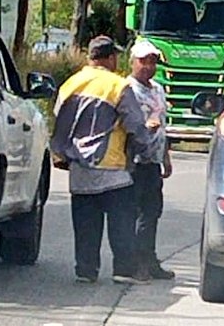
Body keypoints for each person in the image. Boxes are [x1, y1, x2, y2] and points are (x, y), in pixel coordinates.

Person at [51, 35, 154, 285]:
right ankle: (123, 270)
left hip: (79, 165)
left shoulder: (69, 84)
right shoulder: (117, 85)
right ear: (109, 58)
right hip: (112, 165)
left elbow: (59, 119)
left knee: (85, 222)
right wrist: (145, 148)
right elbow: (134, 124)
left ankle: (86, 270)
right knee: (122, 221)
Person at [127, 40, 174, 280]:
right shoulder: (127, 89)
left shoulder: (157, 89)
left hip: (153, 160)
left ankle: (150, 259)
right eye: (143, 61)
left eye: (152, 61)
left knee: (152, 211)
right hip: (133, 160)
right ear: (132, 62)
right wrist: (144, 128)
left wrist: (165, 157)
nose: (148, 66)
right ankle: (134, 263)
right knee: (135, 214)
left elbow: (162, 124)